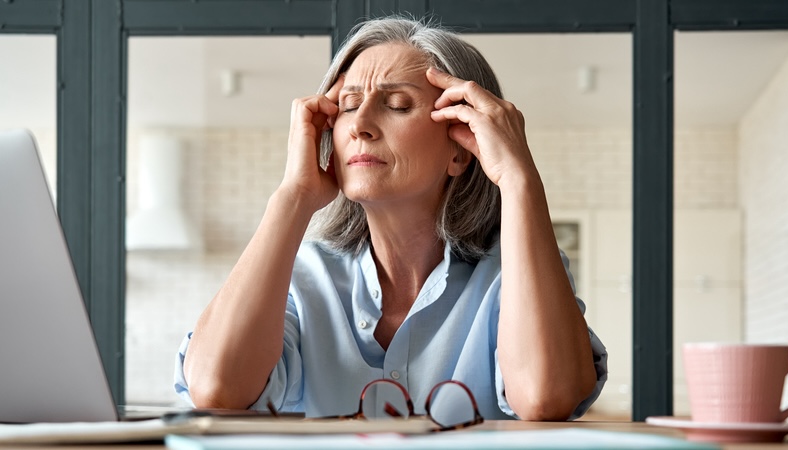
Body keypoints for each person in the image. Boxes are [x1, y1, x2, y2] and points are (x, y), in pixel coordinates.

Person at [174, 16, 607, 422]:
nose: (360, 124)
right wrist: (293, 196)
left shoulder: (513, 275)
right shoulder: (300, 277)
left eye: (397, 105)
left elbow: (548, 397)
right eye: (347, 105)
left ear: (462, 147)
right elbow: (216, 390)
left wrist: (519, 179)